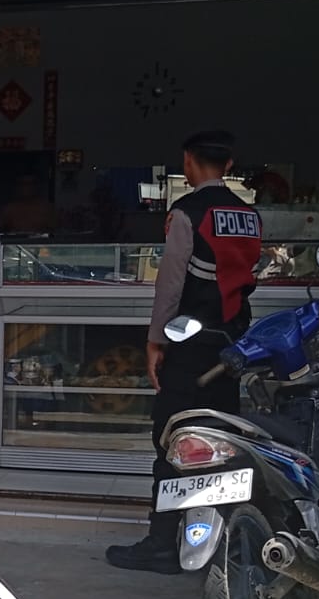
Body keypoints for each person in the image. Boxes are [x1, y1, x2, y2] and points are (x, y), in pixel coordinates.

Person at [107, 130, 263, 574]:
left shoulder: (187, 212)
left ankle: (163, 542)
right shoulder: (249, 215)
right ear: (228, 165)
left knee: (174, 439)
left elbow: (171, 284)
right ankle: (215, 539)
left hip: (190, 344)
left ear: (189, 162)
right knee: (222, 442)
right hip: (232, 348)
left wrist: (155, 340)